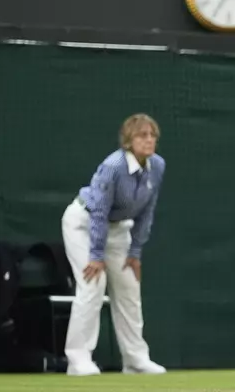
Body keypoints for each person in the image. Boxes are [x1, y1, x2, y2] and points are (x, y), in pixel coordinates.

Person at [61, 113, 167, 376]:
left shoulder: (158, 166)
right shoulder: (113, 166)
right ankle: (78, 360)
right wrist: (96, 255)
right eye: (143, 135)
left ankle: (135, 360)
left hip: (120, 231)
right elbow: (98, 212)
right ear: (128, 141)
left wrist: (135, 252)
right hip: (84, 224)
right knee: (92, 285)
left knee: (129, 288)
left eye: (153, 135)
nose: (149, 140)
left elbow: (147, 211)